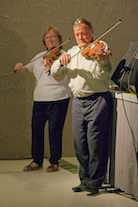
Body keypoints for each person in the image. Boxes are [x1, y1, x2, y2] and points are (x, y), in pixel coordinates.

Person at [51, 18, 112, 194]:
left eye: (84, 33)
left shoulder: (100, 47)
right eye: (77, 34)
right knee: (80, 143)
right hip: (78, 102)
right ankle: (84, 180)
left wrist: (100, 57)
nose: (81, 37)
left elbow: (103, 76)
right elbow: (55, 72)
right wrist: (61, 61)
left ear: (92, 31)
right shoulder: (73, 51)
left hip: (97, 101)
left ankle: (95, 182)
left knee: (95, 143)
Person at [14, 25, 71, 172]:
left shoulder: (64, 56)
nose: (50, 39)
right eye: (47, 37)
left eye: (53, 36)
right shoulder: (40, 56)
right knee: (36, 130)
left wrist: (51, 67)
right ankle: (36, 161)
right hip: (39, 99)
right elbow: (27, 70)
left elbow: (60, 77)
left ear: (59, 39)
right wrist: (20, 67)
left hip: (58, 98)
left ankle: (54, 161)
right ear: (44, 41)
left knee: (54, 131)